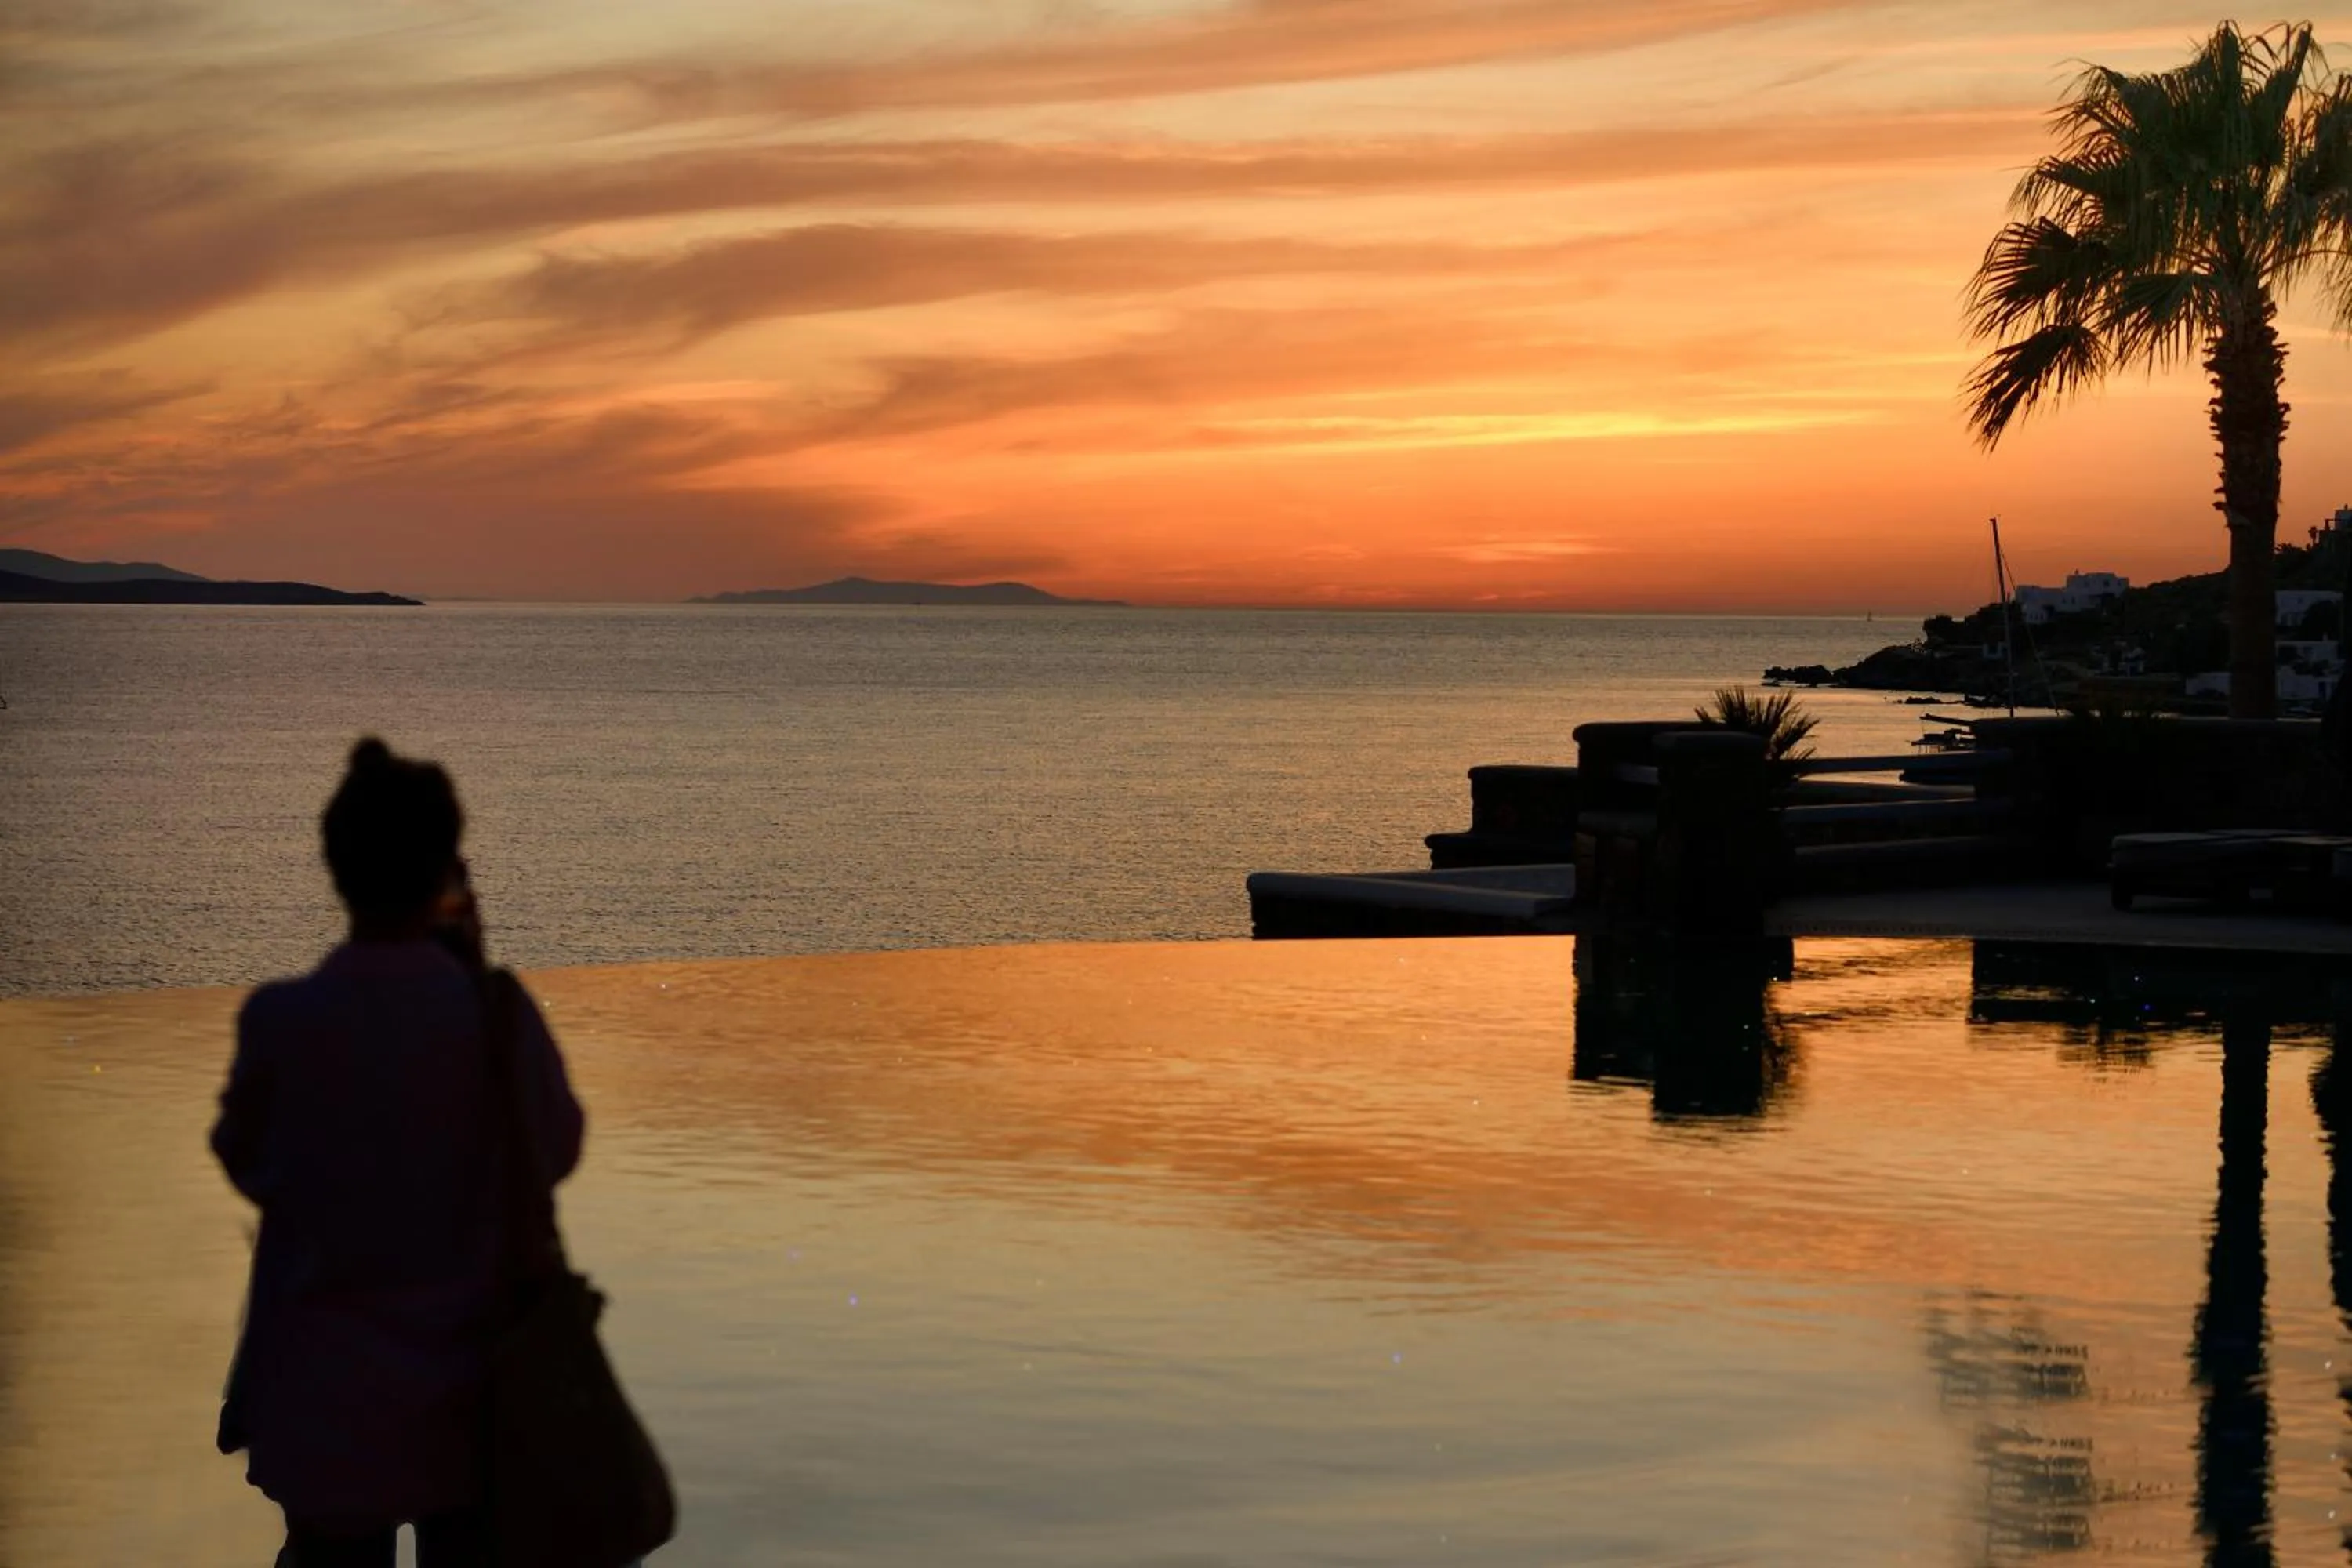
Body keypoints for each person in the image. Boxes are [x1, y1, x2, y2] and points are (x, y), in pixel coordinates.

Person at [212, 737, 585, 1567]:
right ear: (449, 872)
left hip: (324, 1395)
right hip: (474, 1392)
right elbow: (555, 1151)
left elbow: (245, 1157)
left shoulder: (281, 1021)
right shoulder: (496, 1019)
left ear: (336, 870)